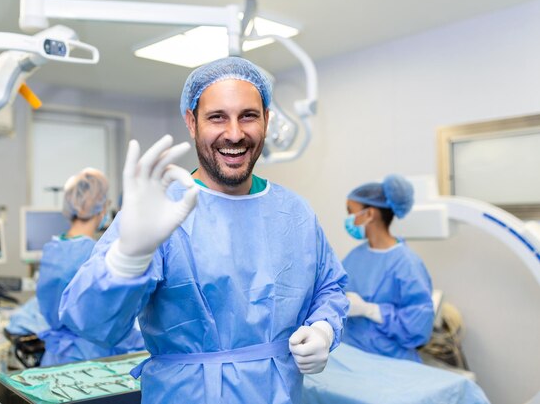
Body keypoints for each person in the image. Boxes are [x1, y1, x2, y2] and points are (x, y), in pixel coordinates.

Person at [58, 57, 348, 403]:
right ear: (191, 122)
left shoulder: (295, 212)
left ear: (267, 121)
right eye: (217, 117)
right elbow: (90, 324)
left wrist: (324, 328)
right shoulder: (160, 213)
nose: (235, 133)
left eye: (248, 116)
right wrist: (127, 259)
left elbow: (329, 286)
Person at [36, 167, 145, 366]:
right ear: (102, 208)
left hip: (55, 356)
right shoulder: (94, 255)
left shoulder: (53, 247)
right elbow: (105, 318)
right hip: (89, 357)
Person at [341, 174, 434, 362]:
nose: (349, 219)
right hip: (351, 357)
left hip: (391, 363)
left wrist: (370, 310)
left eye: (351, 212)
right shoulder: (355, 256)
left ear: (370, 214)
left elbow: (419, 325)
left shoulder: (406, 263)